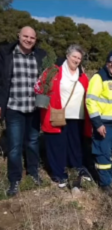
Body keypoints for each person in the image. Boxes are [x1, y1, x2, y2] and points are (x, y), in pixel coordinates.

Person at [34, 44, 92, 188]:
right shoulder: (53, 71)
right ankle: (59, 174)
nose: (77, 60)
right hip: (58, 114)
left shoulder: (82, 74)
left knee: (75, 145)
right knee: (57, 144)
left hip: (78, 116)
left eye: (79, 58)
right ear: (67, 55)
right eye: (74, 57)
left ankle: (77, 168)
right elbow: (38, 87)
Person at [0, 26, 47, 196]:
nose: (28, 40)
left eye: (32, 37)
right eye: (25, 36)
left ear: (35, 40)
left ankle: (33, 173)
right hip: (14, 108)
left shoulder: (40, 56)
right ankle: (14, 179)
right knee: (14, 146)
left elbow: (53, 72)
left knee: (33, 142)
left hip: (34, 108)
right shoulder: (6, 54)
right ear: (19, 36)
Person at [86, 49, 112, 195]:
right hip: (103, 125)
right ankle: (105, 184)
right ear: (107, 64)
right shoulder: (99, 78)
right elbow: (91, 101)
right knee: (103, 154)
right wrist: (98, 124)